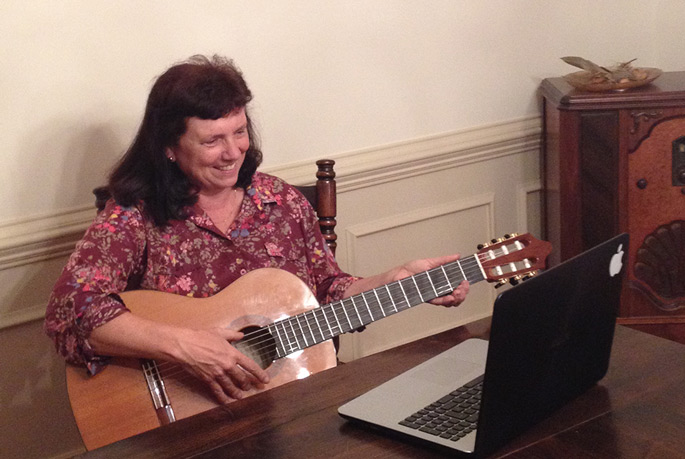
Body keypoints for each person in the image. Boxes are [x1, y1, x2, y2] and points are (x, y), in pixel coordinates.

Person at [44, 55, 469, 404]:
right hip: (183, 420)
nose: (233, 153)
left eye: (240, 132)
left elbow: (324, 290)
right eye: (212, 140)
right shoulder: (136, 215)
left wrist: (392, 281)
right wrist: (185, 346)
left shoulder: (280, 201)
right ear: (169, 148)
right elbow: (70, 309)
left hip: (291, 402)